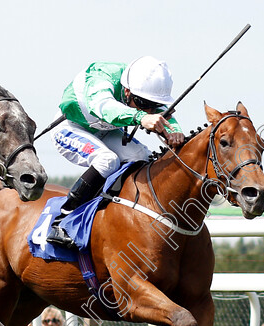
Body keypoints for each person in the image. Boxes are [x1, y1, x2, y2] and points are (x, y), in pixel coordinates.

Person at [46, 56, 185, 248]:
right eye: (143, 103)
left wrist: (173, 131)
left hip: (105, 131)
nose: (149, 109)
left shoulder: (141, 91)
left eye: (152, 105)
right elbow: (104, 107)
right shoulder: (102, 78)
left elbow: (163, 111)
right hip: (71, 128)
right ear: (127, 92)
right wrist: (141, 117)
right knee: (107, 160)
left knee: (140, 155)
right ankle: (62, 221)